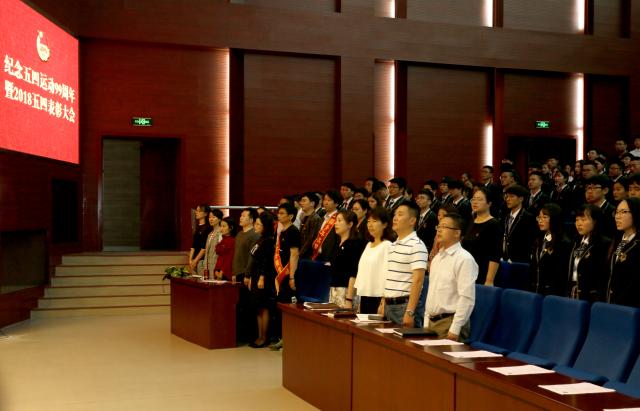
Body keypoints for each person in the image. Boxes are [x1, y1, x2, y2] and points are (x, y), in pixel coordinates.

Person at [424, 213, 478, 341]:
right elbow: (431, 293)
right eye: (438, 226)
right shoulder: (437, 258)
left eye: (444, 227)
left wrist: (456, 327)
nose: (439, 230)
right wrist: (426, 322)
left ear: (457, 233)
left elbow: (467, 297)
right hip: (432, 323)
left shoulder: (464, 259)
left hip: (449, 323)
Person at [378, 201, 427, 328]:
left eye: (400, 214)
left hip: (404, 306)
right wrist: (383, 302)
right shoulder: (393, 245)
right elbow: (389, 277)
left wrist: (410, 312)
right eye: (395, 214)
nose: (395, 218)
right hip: (388, 305)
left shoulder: (417, 245)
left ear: (412, 221)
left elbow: (418, 281)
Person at [271, 202, 301, 350]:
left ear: (291, 216)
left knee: (288, 305)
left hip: (288, 273)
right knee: (281, 305)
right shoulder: (282, 231)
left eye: (282, 213)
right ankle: (281, 336)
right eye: (279, 213)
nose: (279, 215)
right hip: (280, 272)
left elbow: (294, 254)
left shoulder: (293, 231)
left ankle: (289, 338)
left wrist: (292, 276)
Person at [567, 204, 612, 302]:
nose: (579, 224)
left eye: (583, 220)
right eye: (577, 220)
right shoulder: (575, 242)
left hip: (591, 296)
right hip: (573, 291)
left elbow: (601, 275)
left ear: (595, 221)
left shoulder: (604, 244)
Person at [354, 207, 394, 314]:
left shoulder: (387, 245)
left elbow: (388, 274)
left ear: (385, 224)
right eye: (368, 221)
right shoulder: (368, 245)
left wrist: (384, 300)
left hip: (378, 297)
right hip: (365, 295)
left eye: (374, 221)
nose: (370, 225)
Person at [246, 212, 276, 348]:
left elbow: (266, 261)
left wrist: (261, 278)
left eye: (258, 224)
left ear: (265, 226)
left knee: (264, 306)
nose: (255, 226)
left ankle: (265, 337)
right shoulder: (260, 239)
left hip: (263, 277)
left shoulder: (269, 240)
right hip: (256, 275)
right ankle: (259, 336)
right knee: (257, 307)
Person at [462, 187, 501, 286]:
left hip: (483, 274)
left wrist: (489, 280)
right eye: (473, 199)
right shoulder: (471, 222)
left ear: (489, 203)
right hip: (467, 272)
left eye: (480, 199)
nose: (475, 202)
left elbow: (495, 255)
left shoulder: (493, 224)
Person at [530, 204, 571, 296]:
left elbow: (561, 273)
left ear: (554, 219)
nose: (540, 220)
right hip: (536, 290)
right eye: (539, 217)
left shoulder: (563, 243)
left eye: (545, 217)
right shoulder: (538, 240)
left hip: (552, 293)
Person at [606, 197, 640, 308]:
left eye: (624, 212)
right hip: (610, 302)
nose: (618, 216)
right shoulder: (616, 241)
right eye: (617, 212)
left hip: (630, 306)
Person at [331, 210, 366, 308]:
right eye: (336, 220)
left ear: (350, 224)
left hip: (347, 291)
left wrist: (349, 299)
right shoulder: (337, 242)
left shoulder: (355, 244)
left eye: (339, 220)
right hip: (334, 288)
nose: (336, 223)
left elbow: (354, 273)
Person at [501, 184, 536, 263]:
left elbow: (529, 242)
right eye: (507, 196)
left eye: (511, 196)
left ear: (521, 199)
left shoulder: (528, 218)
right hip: (504, 259)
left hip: (520, 261)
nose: (508, 199)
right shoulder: (505, 217)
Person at [584, 174, 616, 239]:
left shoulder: (613, 212)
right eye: (588, 188)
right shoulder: (584, 210)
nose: (589, 191)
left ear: (605, 190)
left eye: (594, 188)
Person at [312, 190, 341, 262]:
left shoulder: (339, 218)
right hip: (317, 255)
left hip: (329, 258)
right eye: (324, 200)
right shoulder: (322, 218)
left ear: (336, 203)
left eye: (329, 200)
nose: (325, 202)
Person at [233, 208, 260, 283]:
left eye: (244, 216)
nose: (240, 218)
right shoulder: (239, 234)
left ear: (251, 220)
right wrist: (234, 273)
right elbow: (236, 255)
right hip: (237, 272)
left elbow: (252, 257)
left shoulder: (255, 234)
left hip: (246, 273)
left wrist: (248, 275)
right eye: (241, 216)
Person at [189, 204, 212, 275]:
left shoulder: (208, 228)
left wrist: (195, 261)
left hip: (201, 260)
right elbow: (193, 245)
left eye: (199, 211)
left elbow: (204, 248)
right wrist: (190, 260)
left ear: (205, 214)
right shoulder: (197, 227)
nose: (196, 212)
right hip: (194, 260)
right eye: (196, 210)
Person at [298, 192, 322, 259]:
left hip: (308, 256)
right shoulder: (304, 217)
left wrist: (300, 253)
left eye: (304, 201)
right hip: (301, 253)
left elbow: (311, 239)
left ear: (312, 203)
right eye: (301, 201)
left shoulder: (316, 218)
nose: (301, 203)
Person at [203, 209, 224, 278]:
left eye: (213, 217)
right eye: (209, 217)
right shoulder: (209, 234)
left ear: (219, 219)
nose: (211, 219)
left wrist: (219, 268)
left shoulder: (221, 232)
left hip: (216, 266)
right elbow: (207, 252)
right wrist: (205, 266)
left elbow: (221, 252)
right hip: (207, 267)